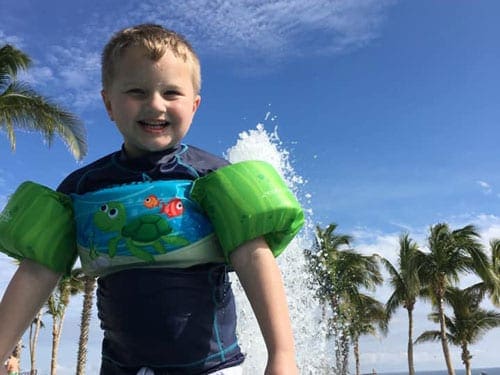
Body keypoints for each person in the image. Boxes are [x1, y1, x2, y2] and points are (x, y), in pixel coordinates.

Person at [0, 24, 303, 375]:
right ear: (109, 103)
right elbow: (37, 271)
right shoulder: (82, 189)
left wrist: (282, 355)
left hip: (210, 368)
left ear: (194, 105)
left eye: (171, 92)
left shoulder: (212, 177)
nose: (155, 104)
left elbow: (254, 257)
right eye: (137, 91)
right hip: (122, 367)